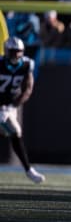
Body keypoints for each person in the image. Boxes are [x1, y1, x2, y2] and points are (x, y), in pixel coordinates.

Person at [0, 36, 45, 184]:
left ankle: (28, 170)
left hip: (9, 106)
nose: (16, 55)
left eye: (19, 52)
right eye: (13, 52)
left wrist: (15, 104)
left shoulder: (26, 64)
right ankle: (29, 170)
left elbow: (28, 89)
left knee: (15, 132)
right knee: (12, 130)